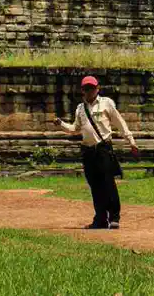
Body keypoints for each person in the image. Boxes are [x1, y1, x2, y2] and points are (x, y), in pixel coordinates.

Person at [55, 75, 139, 229]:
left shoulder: (107, 104)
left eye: (92, 88)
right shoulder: (80, 108)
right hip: (88, 151)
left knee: (108, 183)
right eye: (86, 88)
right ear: (82, 90)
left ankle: (114, 217)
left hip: (103, 149)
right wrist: (61, 124)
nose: (89, 91)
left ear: (97, 89)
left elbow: (120, 123)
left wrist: (131, 141)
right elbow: (75, 129)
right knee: (94, 185)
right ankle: (100, 218)